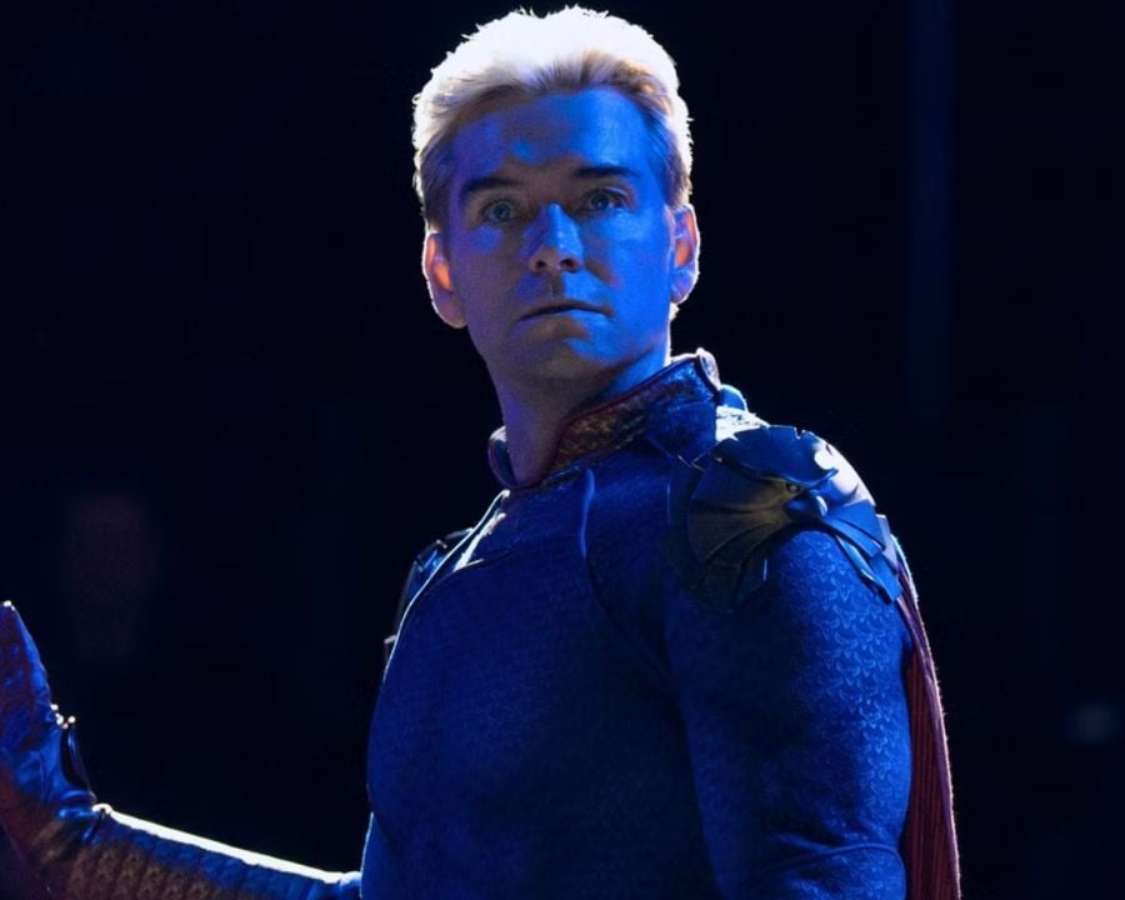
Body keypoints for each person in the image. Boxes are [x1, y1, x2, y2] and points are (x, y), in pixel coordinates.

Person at [0, 8, 960, 898]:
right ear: (442, 271)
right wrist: (68, 841)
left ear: (680, 247)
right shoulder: (457, 572)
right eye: (503, 209)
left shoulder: (744, 512)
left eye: (600, 197)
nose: (552, 245)